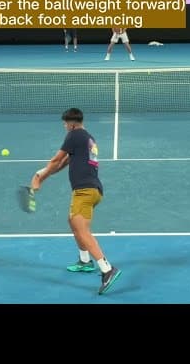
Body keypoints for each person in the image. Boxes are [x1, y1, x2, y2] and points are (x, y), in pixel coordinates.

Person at [30, 108, 122, 295]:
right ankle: (85, 261)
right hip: (93, 190)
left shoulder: (74, 135)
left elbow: (56, 159)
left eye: (65, 124)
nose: (65, 127)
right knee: (73, 222)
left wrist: (38, 178)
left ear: (71, 124)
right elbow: (62, 164)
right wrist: (42, 176)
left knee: (82, 229)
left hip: (84, 191)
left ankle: (107, 269)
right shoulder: (87, 139)